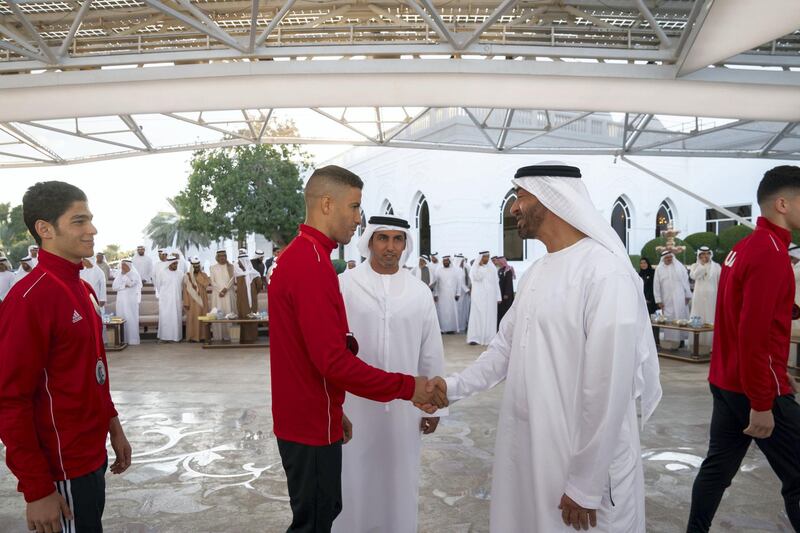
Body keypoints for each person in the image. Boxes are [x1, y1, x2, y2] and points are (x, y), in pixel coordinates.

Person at [420, 163, 662, 532]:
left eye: (520, 196)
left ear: (550, 198)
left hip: (580, 462)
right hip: (531, 449)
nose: (514, 207)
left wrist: (586, 483)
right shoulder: (538, 272)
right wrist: (451, 388)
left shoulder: (603, 273)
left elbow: (609, 387)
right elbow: (503, 350)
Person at [267, 165, 447, 533]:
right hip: (313, 421)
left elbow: (321, 353)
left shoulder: (308, 257)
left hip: (324, 415)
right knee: (315, 521)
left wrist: (333, 408)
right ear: (328, 204)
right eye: (353, 207)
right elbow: (332, 360)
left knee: (323, 511)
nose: (357, 218)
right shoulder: (312, 265)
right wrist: (409, 387)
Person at [0, 181, 131, 533]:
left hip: (92, 455)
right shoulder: (30, 300)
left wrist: (113, 427)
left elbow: (93, 371)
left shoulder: (82, 287)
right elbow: (10, 401)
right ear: (45, 229)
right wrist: (37, 489)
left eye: (90, 219)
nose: (92, 229)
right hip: (62, 468)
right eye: (79, 221)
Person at [687, 165, 800, 532]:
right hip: (752, 387)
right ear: (783, 203)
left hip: (728, 380)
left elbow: (744, 310)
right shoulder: (769, 251)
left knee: (717, 468)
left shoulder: (747, 245)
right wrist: (764, 402)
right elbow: (753, 333)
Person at [333, 215, 446, 533]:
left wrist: (437, 404)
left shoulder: (419, 291)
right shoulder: (345, 285)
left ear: (406, 244)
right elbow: (332, 351)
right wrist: (332, 405)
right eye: (382, 238)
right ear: (369, 241)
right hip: (354, 407)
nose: (390, 247)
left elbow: (431, 350)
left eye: (398, 240)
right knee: (353, 480)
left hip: (405, 407)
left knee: (400, 480)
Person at [654, 250, 692, 348]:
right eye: (666, 258)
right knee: (669, 318)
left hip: (680, 297)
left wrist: (687, 295)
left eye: (670, 257)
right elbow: (656, 286)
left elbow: (685, 281)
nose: (669, 259)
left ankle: (681, 340)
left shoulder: (679, 267)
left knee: (681, 317)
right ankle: (671, 342)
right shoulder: (659, 269)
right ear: (663, 259)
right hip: (666, 298)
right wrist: (658, 300)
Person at [689, 246, 721, 351]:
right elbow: (693, 276)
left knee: (711, 318)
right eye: (702, 254)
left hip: (712, 297)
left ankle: (711, 345)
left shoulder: (716, 266)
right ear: (699, 255)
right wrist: (701, 266)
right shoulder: (695, 266)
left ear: (710, 254)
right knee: (698, 317)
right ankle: (698, 344)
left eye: (707, 253)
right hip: (698, 297)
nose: (705, 256)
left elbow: (720, 281)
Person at [467, 251, 501, 346]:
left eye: (488, 257)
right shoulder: (475, 268)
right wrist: (480, 267)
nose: (486, 259)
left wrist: (498, 296)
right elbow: (477, 277)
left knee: (490, 317)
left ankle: (489, 338)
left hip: (490, 297)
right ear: (481, 258)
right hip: (478, 297)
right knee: (477, 317)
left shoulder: (492, 268)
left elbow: (496, 283)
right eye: (485, 257)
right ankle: (475, 338)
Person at [112, 259, 142, 345]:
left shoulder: (135, 274)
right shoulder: (119, 274)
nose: (122, 267)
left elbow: (131, 284)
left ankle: (133, 340)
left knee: (131, 318)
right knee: (122, 317)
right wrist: (123, 285)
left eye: (124, 265)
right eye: (122, 265)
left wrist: (124, 278)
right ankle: (123, 340)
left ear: (128, 266)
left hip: (131, 301)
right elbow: (114, 287)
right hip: (121, 301)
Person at [235, 250, 263, 343]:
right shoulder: (237, 273)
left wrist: (253, 293)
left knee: (252, 316)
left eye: (240, 261)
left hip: (251, 299)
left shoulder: (253, 273)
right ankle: (244, 338)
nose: (239, 263)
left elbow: (259, 286)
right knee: (243, 316)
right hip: (241, 299)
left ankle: (251, 338)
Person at [155, 254, 183, 343]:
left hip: (176, 299)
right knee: (165, 318)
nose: (176, 266)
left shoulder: (180, 273)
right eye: (174, 264)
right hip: (165, 300)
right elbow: (158, 286)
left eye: (176, 264)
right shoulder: (162, 273)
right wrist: (165, 296)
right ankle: (165, 338)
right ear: (169, 264)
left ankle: (176, 337)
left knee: (176, 318)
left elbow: (182, 286)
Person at [209, 249, 235, 342]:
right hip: (217, 294)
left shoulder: (231, 267)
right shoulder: (212, 267)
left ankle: (230, 335)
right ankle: (218, 336)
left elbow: (232, 279)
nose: (222, 258)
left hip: (228, 293)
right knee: (218, 313)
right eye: (220, 256)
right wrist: (220, 290)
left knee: (229, 313)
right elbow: (212, 281)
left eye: (224, 256)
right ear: (217, 258)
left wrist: (225, 290)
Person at [183, 256, 210, 343]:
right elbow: (185, 290)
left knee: (202, 318)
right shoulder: (187, 276)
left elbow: (206, 284)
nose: (196, 268)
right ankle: (192, 337)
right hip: (191, 301)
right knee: (192, 319)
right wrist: (186, 302)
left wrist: (198, 276)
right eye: (194, 267)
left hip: (202, 300)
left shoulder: (204, 275)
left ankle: (202, 336)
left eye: (197, 266)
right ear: (191, 267)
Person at [433, 255, 463, 333]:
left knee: (452, 311)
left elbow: (459, 282)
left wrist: (458, 293)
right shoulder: (438, 270)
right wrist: (435, 294)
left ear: (449, 261)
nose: (445, 262)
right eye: (444, 261)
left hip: (452, 295)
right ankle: (443, 329)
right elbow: (436, 283)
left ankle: (452, 329)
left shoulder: (455, 270)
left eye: (446, 260)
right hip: (441, 295)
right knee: (442, 312)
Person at [639, 257, 659, 344]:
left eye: (645, 263)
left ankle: (655, 341)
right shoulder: (639, 274)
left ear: (648, 264)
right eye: (641, 263)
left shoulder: (653, 273)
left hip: (651, 302)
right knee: (644, 322)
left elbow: (654, 287)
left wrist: (649, 299)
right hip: (642, 302)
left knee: (654, 323)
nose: (643, 265)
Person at [496, 256, 515, 325]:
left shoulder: (508, 270)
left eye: (498, 261)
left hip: (506, 295)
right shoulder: (500, 270)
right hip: (500, 293)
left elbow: (508, 283)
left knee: (506, 310)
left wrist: (506, 294)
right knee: (501, 310)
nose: (497, 262)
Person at [456, 254, 471, 332]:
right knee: (459, 310)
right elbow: (460, 283)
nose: (463, 262)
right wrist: (467, 290)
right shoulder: (457, 269)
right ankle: (459, 327)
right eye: (462, 261)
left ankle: (464, 326)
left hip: (466, 293)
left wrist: (469, 288)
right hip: (460, 293)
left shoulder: (464, 268)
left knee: (465, 310)